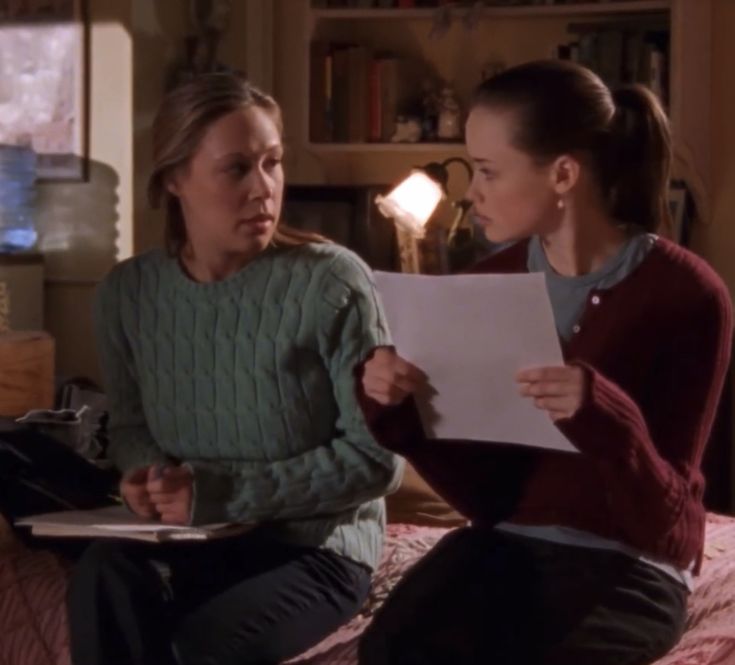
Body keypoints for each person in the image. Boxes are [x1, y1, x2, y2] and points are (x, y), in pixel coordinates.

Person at [357, 60, 732, 665]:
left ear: (562, 174)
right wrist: (394, 409)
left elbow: (667, 522)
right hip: (505, 547)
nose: (470, 192)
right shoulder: (486, 285)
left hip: (630, 565)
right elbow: (487, 496)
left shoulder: (687, 295)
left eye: (487, 171)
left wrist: (604, 416)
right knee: (389, 654)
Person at [66, 72, 403, 665]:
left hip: (315, 548)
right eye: (237, 169)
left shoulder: (331, 281)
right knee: (104, 574)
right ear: (175, 179)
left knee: (197, 649)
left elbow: (377, 461)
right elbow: (130, 430)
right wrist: (149, 484)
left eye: (272, 163)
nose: (264, 188)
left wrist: (226, 494)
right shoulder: (128, 293)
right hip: (195, 539)